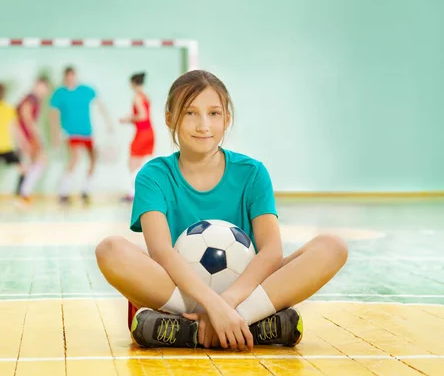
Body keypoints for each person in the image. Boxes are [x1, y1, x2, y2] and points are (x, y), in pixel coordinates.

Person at [95, 70, 348, 351]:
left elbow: (271, 251)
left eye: (214, 113)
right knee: (110, 250)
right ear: (169, 118)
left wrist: (227, 303)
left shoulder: (252, 173)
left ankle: (202, 328)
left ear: (227, 118)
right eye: (190, 113)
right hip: (177, 292)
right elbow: (161, 253)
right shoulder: (153, 175)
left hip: (243, 292)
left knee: (332, 247)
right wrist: (211, 303)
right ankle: (247, 325)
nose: (203, 124)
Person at [49, 66, 113, 204]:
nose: (71, 79)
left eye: (73, 76)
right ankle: (63, 193)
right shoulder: (60, 93)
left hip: (87, 132)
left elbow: (100, 105)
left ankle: (85, 190)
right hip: (71, 133)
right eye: (68, 76)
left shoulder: (86, 90)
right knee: (75, 159)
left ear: (75, 76)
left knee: (93, 159)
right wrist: (55, 135)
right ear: (65, 77)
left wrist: (108, 123)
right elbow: (53, 115)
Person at [119, 72, 155, 202]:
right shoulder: (145, 96)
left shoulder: (137, 97)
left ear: (133, 83)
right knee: (138, 163)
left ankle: (133, 193)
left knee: (133, 163)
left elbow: (142, 116)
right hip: (149, 132)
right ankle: (135, 191)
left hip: (143, 132)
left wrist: (128, 119)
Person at [16, 76, 51, 202]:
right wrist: (34, 136)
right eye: (43, 88)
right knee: (39, 161)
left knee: (31, 164)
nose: (45, 91)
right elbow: (26, 118)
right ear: (37, 85)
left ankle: (24, 192)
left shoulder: (34, 100)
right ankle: (24, 192)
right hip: (27, 136)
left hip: (27, 136)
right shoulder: (30, 99)